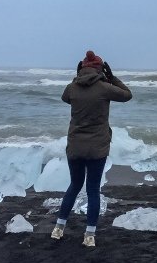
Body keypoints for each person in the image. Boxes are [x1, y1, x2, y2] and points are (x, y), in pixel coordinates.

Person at [51, 50, 132, 247]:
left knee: (74, 186)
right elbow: (127, 95)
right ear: (100, 69)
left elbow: (65, 98)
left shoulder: (72, 88)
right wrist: (112, 77)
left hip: (75, 147)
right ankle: (89, 236)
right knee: (93, 190)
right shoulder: (105, 88)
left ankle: (58, 229)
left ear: (82, 68)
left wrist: (77, 76)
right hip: (97, 147)